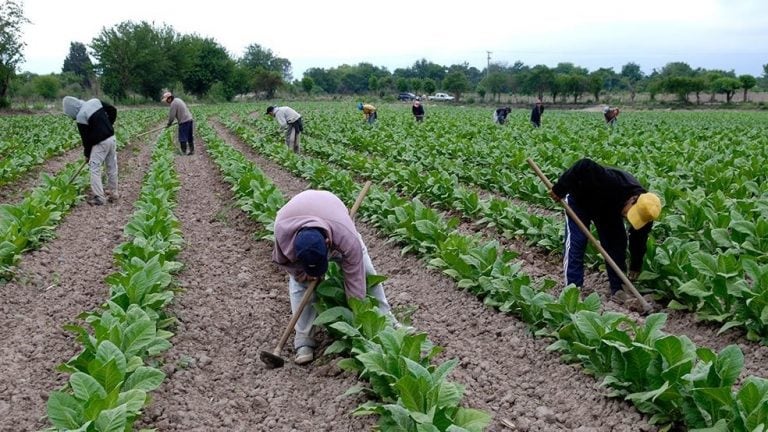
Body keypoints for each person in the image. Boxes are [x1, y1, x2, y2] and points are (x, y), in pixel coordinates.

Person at [273, 190, 398, 364]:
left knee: (367, 272)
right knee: (299, 285)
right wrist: (302, 273)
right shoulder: (282, 233)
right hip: (295, 217)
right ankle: (303, 341)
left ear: (327, 245)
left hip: (332, 214)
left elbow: (354, 278)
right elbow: (284, 262)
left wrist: (359, 315)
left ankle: (387, 321)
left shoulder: (345, 235)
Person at [549, 158, 662, 300]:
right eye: (631, 213)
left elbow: (638, 240)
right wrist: (560, 188)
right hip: (580, 199)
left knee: (617, 244)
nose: (628, 218)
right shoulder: (612, 182)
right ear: (633, 199)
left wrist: (636, 265)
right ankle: (573, 290)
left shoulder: (647, 212)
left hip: (608, 209)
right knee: (577, 242)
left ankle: (618, 288)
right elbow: (584, 164)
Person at [62, 96, 118, 206]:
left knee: (95, 168)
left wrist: (87, 155)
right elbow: (112, 109)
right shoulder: (95, 101)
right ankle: (113, 192)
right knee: (112, 165)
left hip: (100, 143)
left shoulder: (80, 116)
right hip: (111, 138)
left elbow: (86, 140)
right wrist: (108, 125)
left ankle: (99, 198)